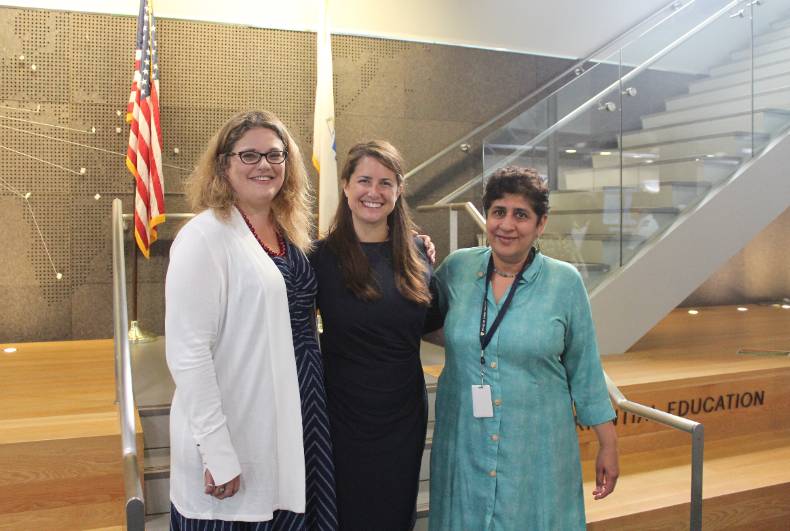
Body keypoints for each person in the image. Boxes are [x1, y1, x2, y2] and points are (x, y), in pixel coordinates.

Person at [165, 110, 337, 530]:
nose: (264, 164)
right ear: (223, 165)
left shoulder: (288, 233)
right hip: (238, 429)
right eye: (249, 155)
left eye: (275, 155)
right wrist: (216, 451)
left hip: (300, 416)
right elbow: (189, 355)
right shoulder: (204, 237)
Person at [428, 166, 618, 530]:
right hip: (465, 441)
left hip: (537, 449)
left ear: (541, 223)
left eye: (521, 215)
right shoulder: (457, 269)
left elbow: (586, 369)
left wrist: (608, 444)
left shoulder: (564, 283)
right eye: (499, 212)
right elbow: (416, 317)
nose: (507, 225)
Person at [309, 140, 440, 530]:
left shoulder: (418, 254)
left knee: (396, 513)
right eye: (364, 180)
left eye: (386, 182)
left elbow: (438, 322)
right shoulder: (318, 259)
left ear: (399, 190)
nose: (374, 192)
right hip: (341, 416)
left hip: (403, 415)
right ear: (346, 186)